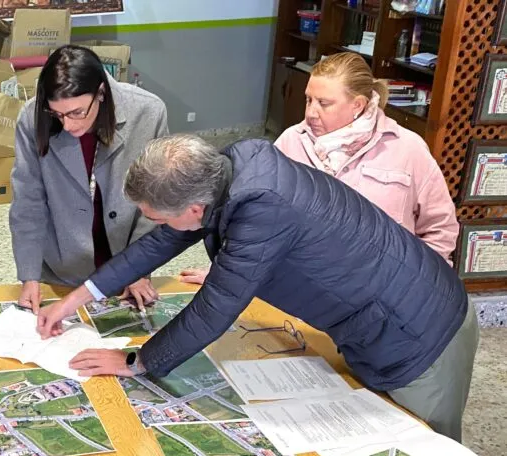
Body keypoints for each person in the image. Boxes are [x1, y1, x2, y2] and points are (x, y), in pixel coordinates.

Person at [39, 135, 479, 443]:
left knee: (425, 450)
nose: (159, 224)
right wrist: (80, 296)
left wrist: (137, 361)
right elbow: (164, 240)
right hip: (383, 316)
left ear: (193, 207)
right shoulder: (229, 166)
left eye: (158, 214)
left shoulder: (263, 208)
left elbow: (215, 307)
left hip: (420, 337)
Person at [180, 52, 459, 285]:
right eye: (308, 100)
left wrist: (419, 286)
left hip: (381, 294)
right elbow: (257, 221)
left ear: (358, 106)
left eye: (324, 103)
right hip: (305, 293)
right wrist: (229, 275)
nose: (311, 112)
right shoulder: (291, 141)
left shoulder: (407, 148)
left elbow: (440, 229)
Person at [10, 45, 169, 311]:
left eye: (77, 112)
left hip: (127, 267)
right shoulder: (31, 118)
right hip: (63, 268)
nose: (68, 125)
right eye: (58, 115)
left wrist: (139, 269)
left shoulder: (148, 112)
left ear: (101, 93)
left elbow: (156, 200)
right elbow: (28, 202)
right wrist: (29, 276)